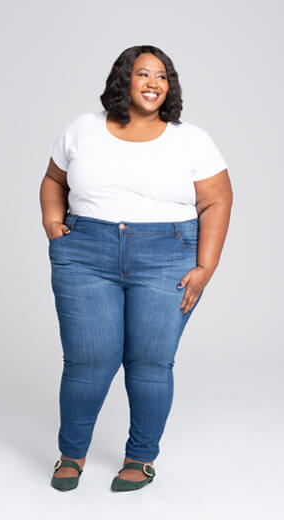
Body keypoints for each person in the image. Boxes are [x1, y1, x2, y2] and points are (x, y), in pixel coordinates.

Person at [39, 44, 233, 492]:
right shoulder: (82, 129)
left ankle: (140, 458)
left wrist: (206, 266)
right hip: (85, 254)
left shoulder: (192, 139)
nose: (153, 83)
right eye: (143, 73)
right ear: (123, 78)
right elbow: (54, 180)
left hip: (166, 256)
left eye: (162, 76)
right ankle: (71, 454)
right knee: (87, 360)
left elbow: (217, 200)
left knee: (150, 362)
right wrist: (52, 221)